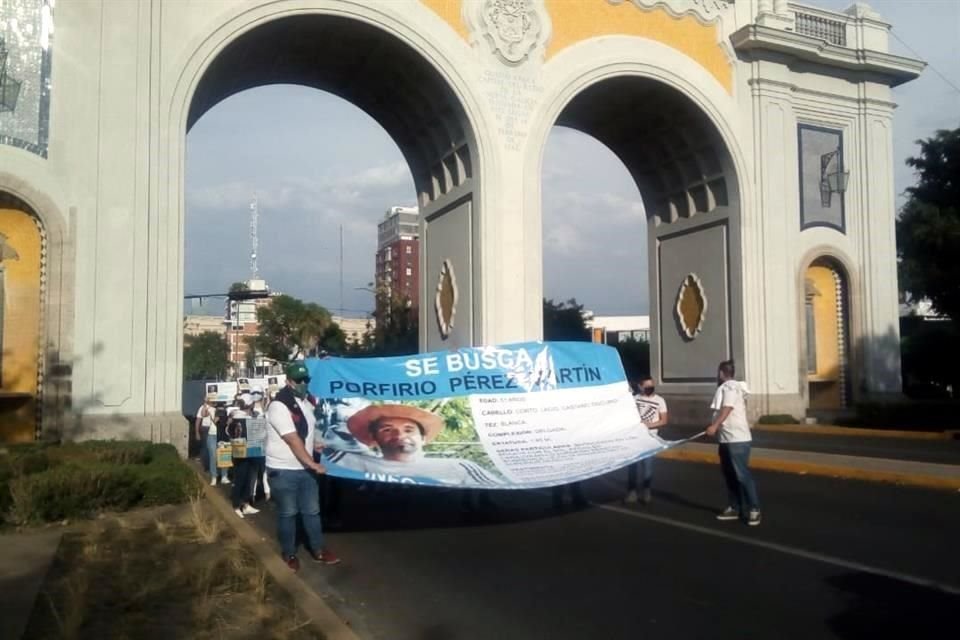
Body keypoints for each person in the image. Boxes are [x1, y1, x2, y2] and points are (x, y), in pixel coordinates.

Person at [266, 362, 340, 571]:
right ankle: (289, 553)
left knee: (312, 511)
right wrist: (312, 464)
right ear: (288, 381)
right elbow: (292, 439)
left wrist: (317, 444)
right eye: (299, 380)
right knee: (288, 512)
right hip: (283, 469)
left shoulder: (307, 402)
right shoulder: (279, 405)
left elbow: (308, 432)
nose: (303, 383)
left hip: (305, 468)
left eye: (306, 379)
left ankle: (318, 549)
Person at [326, 404, 502, 486]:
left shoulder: (459, 467)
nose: (399, 434)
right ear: (373, 438)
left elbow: (500, 488)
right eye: (387, 429)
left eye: (409, 429)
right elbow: (318, 452)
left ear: (423, 438)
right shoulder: (352, 462)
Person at [705, 360, 760, 526]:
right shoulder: (733, 386)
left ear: (721, 373)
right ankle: (735, 507)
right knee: (730, 475)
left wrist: (714, 426)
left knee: (742, 475)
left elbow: (727, 408)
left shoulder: (730, 386)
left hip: (737, 440)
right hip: (726, 439)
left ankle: (754, 509)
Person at [625, 377, 669, 504]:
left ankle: (646, 492)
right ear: (640, 387)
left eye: (652, 385)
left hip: (650, 438)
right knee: (632, 466)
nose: (650, 388)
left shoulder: (660, 400)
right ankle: (631, 492)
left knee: (647, 466)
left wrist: (648, 425)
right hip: (635, 438)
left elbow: (664, 420)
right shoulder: (635, 399)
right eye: (647, 386)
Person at [227, 394, 260, 519]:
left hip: (251, 449)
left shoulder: (250, 416)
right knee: (240, 478)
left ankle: (246, 504)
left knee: (248, 478)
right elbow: (230, 432)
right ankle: (236, 505)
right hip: (240, 451)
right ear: (248, 404)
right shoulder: (238, 417)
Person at [195, 392, 225, 486]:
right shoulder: (207, 408)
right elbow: (203, 415)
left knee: (223, 455)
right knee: (213, 455)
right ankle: (214, 476)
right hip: (211, 433)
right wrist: (205, 404)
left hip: (221, 434)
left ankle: (224, 475)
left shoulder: (223, 409)